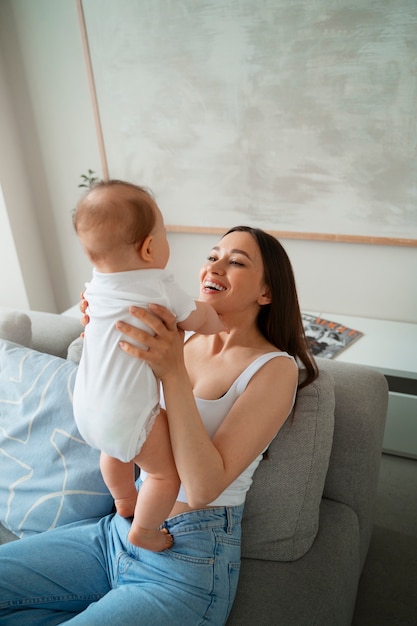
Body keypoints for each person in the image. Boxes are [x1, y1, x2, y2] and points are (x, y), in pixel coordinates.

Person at [0, 224, 318, 625]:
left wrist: (173, 373)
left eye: (236, 262)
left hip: (187, 558)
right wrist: (100, 329)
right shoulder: (178, 335)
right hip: (118, 529)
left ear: (266, 293)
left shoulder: (274, 369)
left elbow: (203, 488)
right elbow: (117, 391)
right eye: (212, 256)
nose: (214, 267)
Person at [72, 180, 225, 552]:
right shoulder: (159, 285)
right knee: (161, 473)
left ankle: (124, 500)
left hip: (86, 408)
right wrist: (213, 321)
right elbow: (194, 318)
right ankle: (144, 528)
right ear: (150, 247)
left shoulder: (95, 287)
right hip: (127, 411)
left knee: (114, 451)